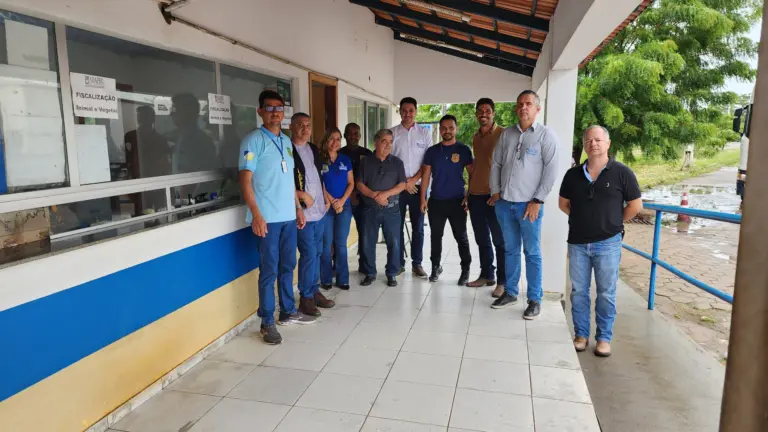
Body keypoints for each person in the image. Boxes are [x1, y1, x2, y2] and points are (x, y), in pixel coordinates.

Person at [239, 90, 315, 345]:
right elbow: (245, 180)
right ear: (260, 111)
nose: (275, 112)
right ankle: (267, 322)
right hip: (268, 219)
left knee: (287, 266)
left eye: (279, 108)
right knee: (269, 270)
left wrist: (297, 208)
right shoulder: (253, 141)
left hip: (287, 218)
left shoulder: (285, 142)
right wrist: (257, 215)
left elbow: (289, 179)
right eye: (269, 108)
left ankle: (288, 311)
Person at [559, 125, 642, 357]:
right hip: (577, 243)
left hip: (608, 243)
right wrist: (582, 220)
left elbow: (636, 206)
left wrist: (613, 224)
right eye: (588, 140)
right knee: (579, 291)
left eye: (598, 140)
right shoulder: (572, 175)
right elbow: (563, 204)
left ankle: (604, 338)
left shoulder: (622, 173)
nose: (593, 144)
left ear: (608, 144)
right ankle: (581, 335)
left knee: (606, 292)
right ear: (584, 145)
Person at [490, 90, 559, 320]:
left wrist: (537, 200)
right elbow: (496, 164)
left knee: (531, 252)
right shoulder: (507, 134)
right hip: (505, 204)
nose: (523, 107)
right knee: (510, 249)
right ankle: (510, 292)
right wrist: (496, 193)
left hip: (529, 207)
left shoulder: (546, 136)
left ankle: (534, 299)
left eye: (528, 104)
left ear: (537, 108)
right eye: (520, 104)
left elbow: (550, 171)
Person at [419, 115, 473, 284]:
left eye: (450, 128)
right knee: (435, 236)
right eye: (443, 128)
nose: (447, 131)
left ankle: (465, 269)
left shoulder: (463, 150)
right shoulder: (432, 151)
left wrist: (468, 196)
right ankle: (435, 267)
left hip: (457, 201)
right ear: (440, 129)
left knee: (461, 237)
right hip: (436, 201)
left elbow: (473, 174)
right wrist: (423, 199)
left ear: (456, 129)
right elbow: (426, 177)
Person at [291, 113, 335, 317]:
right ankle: (305, 298)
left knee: (317, 253)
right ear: (292, 127)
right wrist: (299, 199)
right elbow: (285, 182)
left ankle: (314, 290)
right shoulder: (288, 150)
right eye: (300, 125)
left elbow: (320, 177)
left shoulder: (313, 149)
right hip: (303, 214)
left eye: (308, 125)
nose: (305, 129)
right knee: (308, 254)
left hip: (319, 211)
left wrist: (326, 198)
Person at [465, 98, 506, 297]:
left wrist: (499, 193)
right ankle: (486, 275)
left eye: (488, 111)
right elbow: (477, 168)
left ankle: (503, 281)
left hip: (495, 197)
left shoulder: (503, 134)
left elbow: (508, 168)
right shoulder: (475, 137)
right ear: (476, 114)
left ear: (493, 113)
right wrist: (468, 194)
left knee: (500, 240)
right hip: (475, 196)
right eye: (480, 110)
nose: (484, 114)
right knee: (482, 239)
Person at [357, 129, 407, 287]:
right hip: (370, 208)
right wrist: (374, 195)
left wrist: (385, 194)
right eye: (384, 141)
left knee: (394, 242)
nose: (388, 145)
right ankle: (370, 273)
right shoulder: (365, 161)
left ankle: (392, 273)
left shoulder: (397, 163)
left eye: (390, 142)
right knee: (367, 242)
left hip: (391, 209)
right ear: (376, 142)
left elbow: (402, 184)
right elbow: (359, 184)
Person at [391, 97, 432, 278]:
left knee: (418, 228)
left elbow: (427, 162)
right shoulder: (392, 133)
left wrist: (412, 180)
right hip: (398, 188)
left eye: (411, 110)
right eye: (404, 110)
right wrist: (403, 183)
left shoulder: (424, 133)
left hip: (418, 189)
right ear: (399, 111)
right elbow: (388, 160)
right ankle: (398, 263)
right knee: (396, 227)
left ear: (416, 111)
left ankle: (417, 263)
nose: (407, 114)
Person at [319, 127, 354, 290]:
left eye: (338, 139)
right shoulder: (318, 159)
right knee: (326, 245)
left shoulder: (345, 160)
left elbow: (351, 183)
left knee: (340, 243)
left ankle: (342, 279)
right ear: (326, 140)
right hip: (325, 207)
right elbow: (320, 184)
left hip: (343, 207)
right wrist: (332, 201)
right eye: (332, 138)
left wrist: (341, 201)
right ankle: (326, 279)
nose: (335, 142)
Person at [340, 123, 373, 273]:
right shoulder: (339, 153)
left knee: (365, 234)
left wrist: (360, 194)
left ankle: (364, 266)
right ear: (345, 135)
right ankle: (338, 267)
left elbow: (371, 179)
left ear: (360, 136)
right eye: (350, 133)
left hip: (363, 200)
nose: (353, 136)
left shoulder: (367, 153)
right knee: (339, 236)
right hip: (343, 200)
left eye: (356, 133)